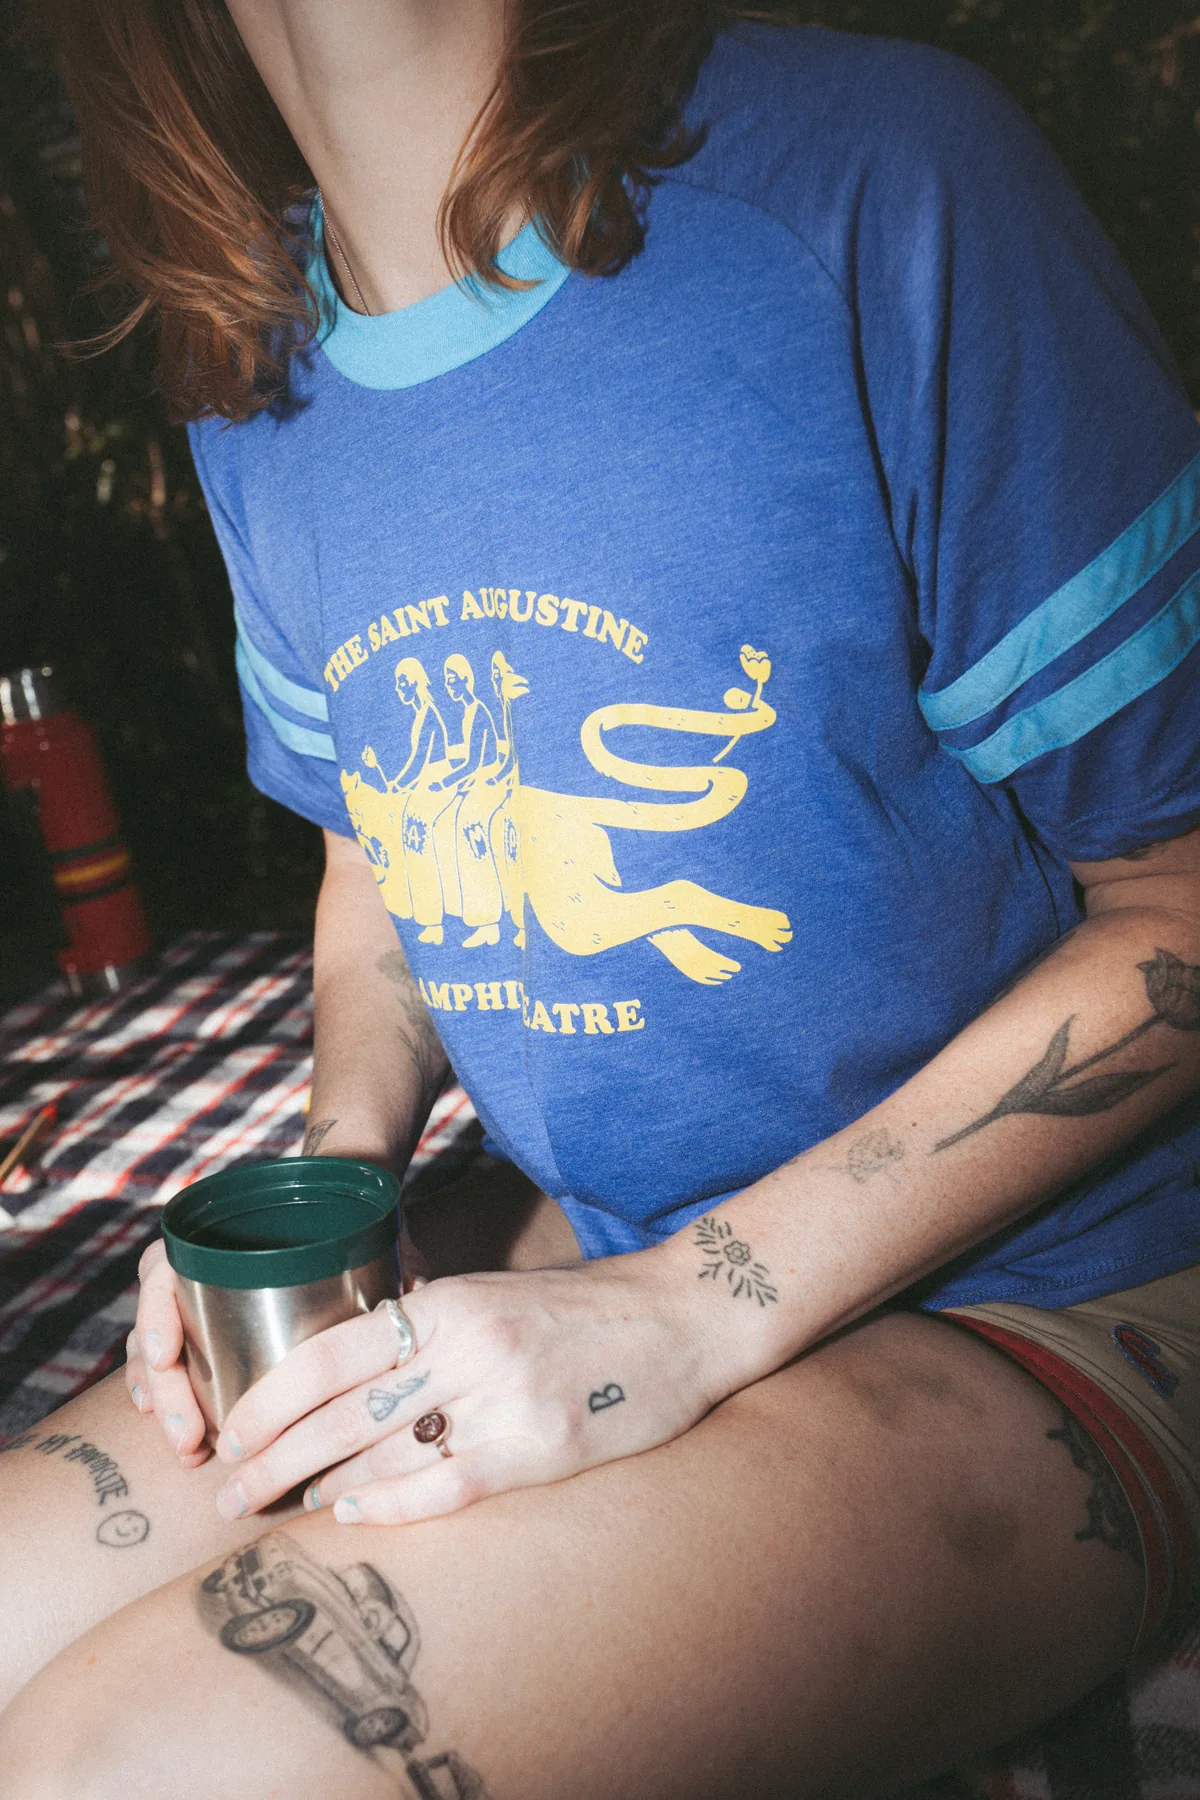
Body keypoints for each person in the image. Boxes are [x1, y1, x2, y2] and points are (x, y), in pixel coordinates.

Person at [2, 3, 1199, 1795]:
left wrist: (690, 1312)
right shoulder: (255, 359)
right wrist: (331, 1191)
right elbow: (378, 856)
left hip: (1069, 1290)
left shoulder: (875, 178)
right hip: (591, 1230)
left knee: (141, 1764)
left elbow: (1177, 882)